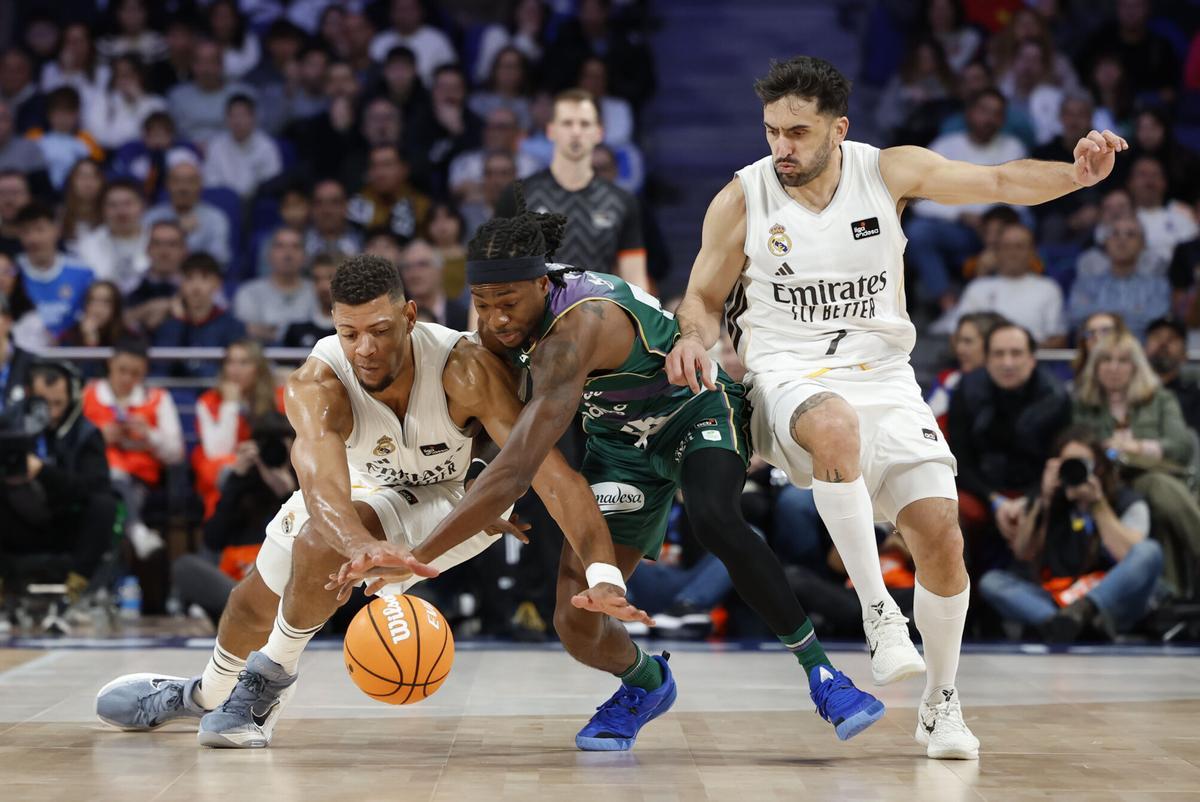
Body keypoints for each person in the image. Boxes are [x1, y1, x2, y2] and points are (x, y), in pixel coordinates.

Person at [663, 55, 1128, 760]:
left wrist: (1075, 174)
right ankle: (879, 612)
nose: (781, 146)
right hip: (786, 376)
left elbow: (1000, 182)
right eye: (771, 131)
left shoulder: (888, 171)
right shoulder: (743, 197)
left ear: (838, 129)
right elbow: (699, 296)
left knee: (941, 535)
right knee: (834, 425)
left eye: (797, 131)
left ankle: (941, 705)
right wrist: (694, 339)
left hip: (884, 375)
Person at [336, 201, 886, 750]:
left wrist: (417, 558)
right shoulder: (496, 333)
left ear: (541, 283)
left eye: (508, 302)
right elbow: (493, 438)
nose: (497, 318)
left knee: (715, 517)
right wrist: (475, 495)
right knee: (575, 622)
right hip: (620, 445)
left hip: (690, 411)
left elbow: (518, 470)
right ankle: (646, 683)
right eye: (483, 304)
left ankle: (825, 676)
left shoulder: (579, 327)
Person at [95, 254, 647, 747]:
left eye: (381, 330)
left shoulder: (464, 366)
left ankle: (268, 685)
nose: (365, 348)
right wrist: (361, 547)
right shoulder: (317, 382)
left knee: (319, 544)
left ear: (410, 315)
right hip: (364, 487)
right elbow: (323, 489)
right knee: (250, 602)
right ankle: (206, 695)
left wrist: (604, 571)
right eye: (349, 332)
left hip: (455, 498)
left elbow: (551, 475)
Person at [979, 427, 1163, 643]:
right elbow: (1024, 553)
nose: (1075, 470)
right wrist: (1044, 502)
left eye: (1083, 464)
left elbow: (1129, 556)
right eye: (1068, 463)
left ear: (1100, 468)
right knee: (991, 582)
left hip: (1113, 604)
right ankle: (1068, 624)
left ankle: (1083, 614)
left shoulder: (1127, 500)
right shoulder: (1051, 499)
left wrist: (1098, 505)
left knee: (1150, 551)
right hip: (1060, 598)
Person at [496, 90, 647, 290]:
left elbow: (635, 279)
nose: (576, 131)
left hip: (599, 315)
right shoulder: (519, 196)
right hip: (535, 317)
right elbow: (492, 272)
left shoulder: (622, 201)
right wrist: (476, 322)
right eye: (567, 123)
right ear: (551, 130)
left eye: (584, 124)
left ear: (599, 132)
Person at [0, 359, 118, 597]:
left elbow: (93, 487)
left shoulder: (86, 434)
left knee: (105, 504)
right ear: (29, 396)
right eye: (44, 403)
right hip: (18, 523)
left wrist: (43, 472)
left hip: (66, 524)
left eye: (58, 403)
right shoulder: (9, 426)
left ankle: (75, 589)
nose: (52, 412)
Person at [81, 338, 184, 559]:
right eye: (122, 370)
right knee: (107, 501)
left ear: (145, 371)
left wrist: (150, 435)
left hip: (139, 482)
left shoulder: (158, 399)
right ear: (110, 364)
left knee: (111, 506)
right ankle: (137, 532)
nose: (127, 378)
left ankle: (105, 583)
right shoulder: (87, 394)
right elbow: (70, 442)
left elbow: (176, 454)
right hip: (94, 476)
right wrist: (99, 437)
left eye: (135, 373)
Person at [191, 339, 282, 519]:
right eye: (230, 362)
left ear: (258, 368)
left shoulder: (277, 398)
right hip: (226, 470)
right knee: (217, 470)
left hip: (264, 468)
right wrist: (230, 405)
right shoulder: (208, 401)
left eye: (244, 363)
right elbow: (218, 451)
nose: (235, 370)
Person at [953, 222, 1067, 346]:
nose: (1012, 253)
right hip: (984, 362)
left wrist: (1020, 353)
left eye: (1019, 246)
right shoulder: (976, 288)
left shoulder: (1048, 288)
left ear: (1032, 252)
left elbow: (1058, 338)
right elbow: (956, 335)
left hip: (1034, 361)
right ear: (996, 251)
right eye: (1006, 246)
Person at [1067, 214, 1169, 340]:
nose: (1122, 240)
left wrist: (1102, 315)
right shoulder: (1085, 284)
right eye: (1115, 234)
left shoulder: (1158, 285)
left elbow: (1157, 321)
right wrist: (1135, 312)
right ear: (1106, 242)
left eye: (1130, 234)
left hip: (1141, 354)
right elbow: (1077, 317)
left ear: (1143, 244)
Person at [152, 253, 246, 379]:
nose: (196, 287)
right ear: (181, 284)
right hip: (174, 395)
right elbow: (160, 371)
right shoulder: (168, 326)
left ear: (217, 284)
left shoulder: (233, 327)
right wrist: (179, 322)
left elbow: (234, 372)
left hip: (217, 394)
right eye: (189, 278)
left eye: (204, 278)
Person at [13, 202, 94, 340]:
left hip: (73, 351)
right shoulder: (11, 273)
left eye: (40, 229)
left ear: (56, 230)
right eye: (26, 231)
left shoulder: (83, 273)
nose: (34, 239)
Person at [143, 155, 232, 269]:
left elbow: (219, 261)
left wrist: (185, 239)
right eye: (177, 181)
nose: (183, 187)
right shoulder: (151, 217)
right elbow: (141, 257)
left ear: (200, 185)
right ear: (167, 185)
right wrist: (180, 230)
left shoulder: (216, 219)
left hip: (196, 282)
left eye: (190, 181)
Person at [926, 311, 1007, 434]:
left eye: (968, 342)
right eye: (959, 341)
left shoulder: (1007, 385)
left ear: (991, 344)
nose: (959, 349)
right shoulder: (947, 378)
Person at [233, 228, 315, 344]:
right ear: (269, 255)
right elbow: (246, 334)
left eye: (295, 247)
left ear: (305, 257)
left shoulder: (317, 291)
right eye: (280, 246)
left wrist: (268, 331)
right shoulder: (249, 292)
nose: (288, 254)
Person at [76, 179, 150, 296]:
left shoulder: (158, 239)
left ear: (142, 206)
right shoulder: (88, 245)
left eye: (128, 204)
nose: (121, 211)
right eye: (113, 205)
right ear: (102, 210)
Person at [202, 93, 282, 199]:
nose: (237, 122)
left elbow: (272, 182)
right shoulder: (216, 146)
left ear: (253, 118)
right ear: (226, 119)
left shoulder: (267, 147)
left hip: (256, 203)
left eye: (242, 115)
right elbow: (210, 182)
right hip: (225, 202)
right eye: (233, 116)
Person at [1144, 316, 1200, 434]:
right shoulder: (1128, 390)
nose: (1163, 343)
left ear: (1185, 355)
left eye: (1172, 338)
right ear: (1143, 349)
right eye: (1156, 336)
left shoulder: (1195, 397)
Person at [399, 239, 468, 330]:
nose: (414, 273)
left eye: (423, 264)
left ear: (440, 270)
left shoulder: (464, 317)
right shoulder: (396, 317)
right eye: (407, 267)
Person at [281, 252, 337, 349]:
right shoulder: (297, 327)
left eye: (330, 278)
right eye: (317, 279)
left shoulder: (354, 326)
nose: (323, 286)